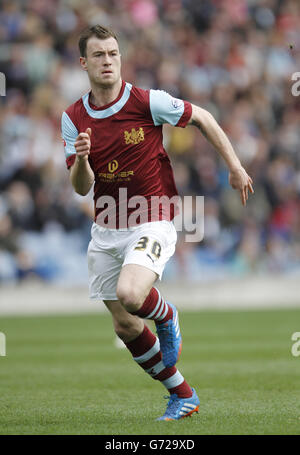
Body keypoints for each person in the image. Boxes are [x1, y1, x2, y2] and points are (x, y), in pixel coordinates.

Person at [61, 25, 254, 421]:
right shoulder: (73, 117)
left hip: (152, 215)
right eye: (99, 55)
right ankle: (182, 394)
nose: (108, 61)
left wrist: (234, 167)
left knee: (132, 295)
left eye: (113, 53)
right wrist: (81, 158)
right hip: (107, 226)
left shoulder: (147, 101)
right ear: (84, 63)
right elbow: (81, 188)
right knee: (125, 325)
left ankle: (166, 315)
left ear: (121, 57)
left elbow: (202, 116)